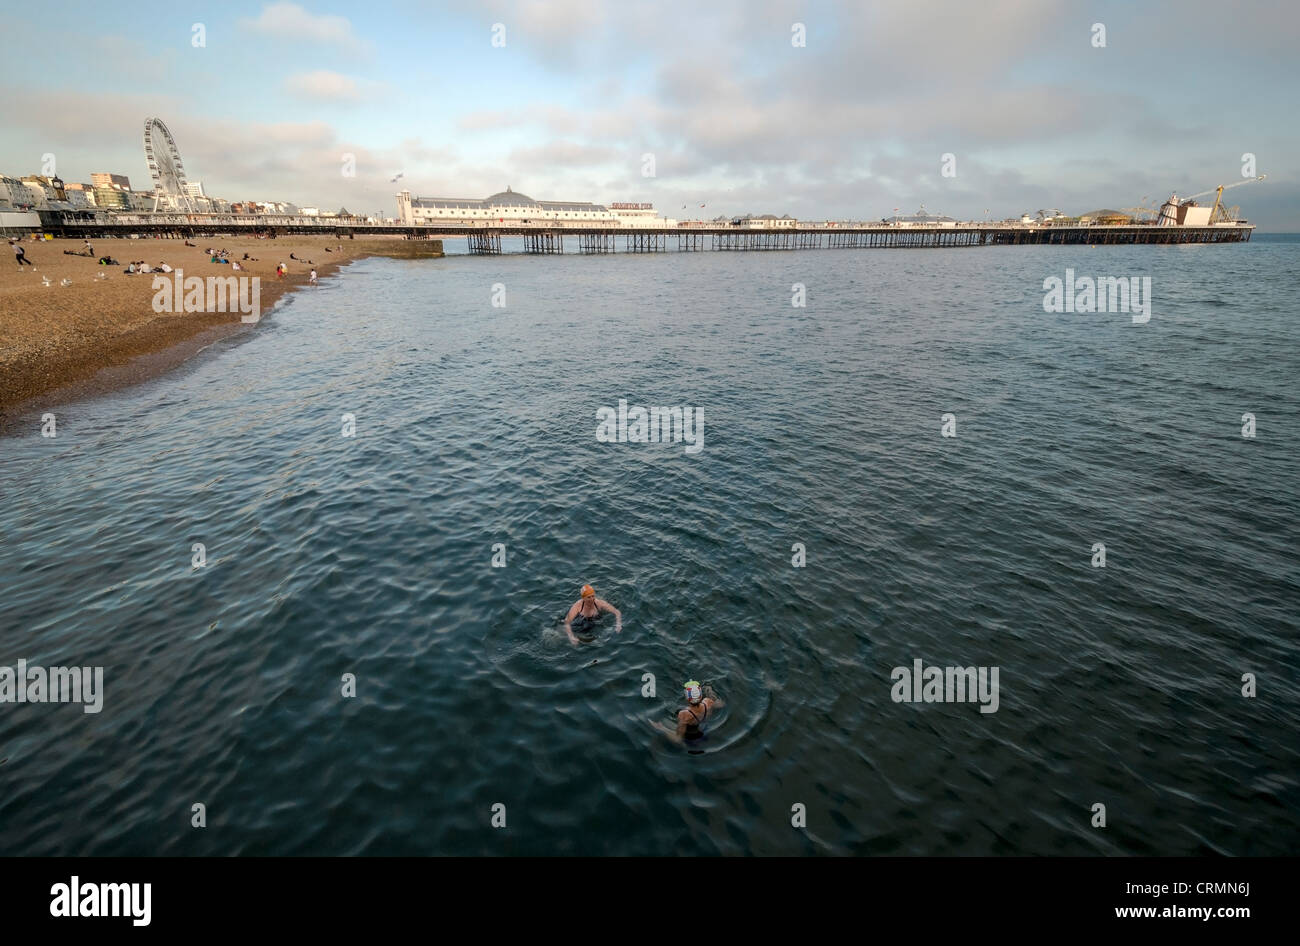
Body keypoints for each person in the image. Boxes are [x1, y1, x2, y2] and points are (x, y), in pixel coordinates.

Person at [651, 680, 723, 744]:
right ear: (701, 696)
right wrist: (710, 692)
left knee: (664, 720)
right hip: (704, 729)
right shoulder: (708, 702)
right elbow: (721, 704)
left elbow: (678, 739)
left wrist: (661, 728)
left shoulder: (684, 714)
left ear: (687, 699)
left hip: (690, 739)